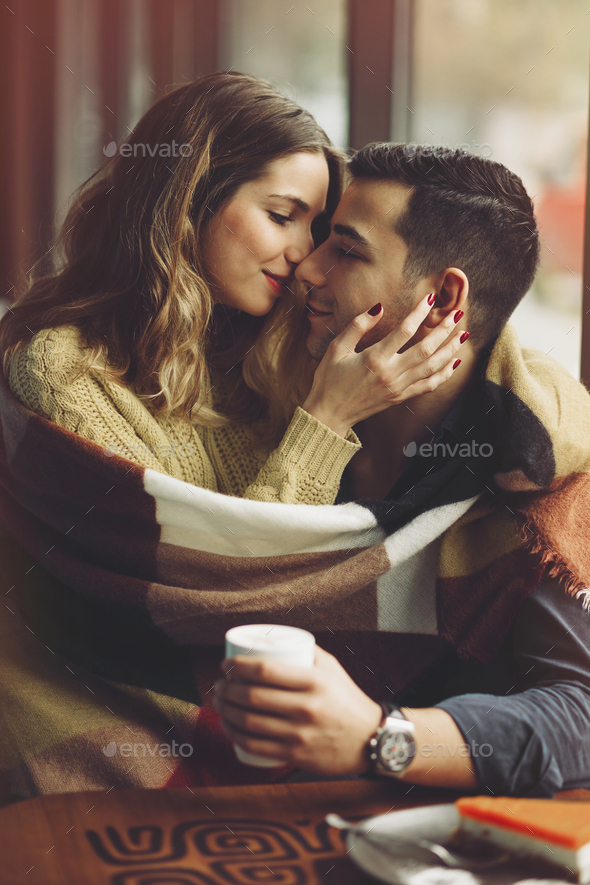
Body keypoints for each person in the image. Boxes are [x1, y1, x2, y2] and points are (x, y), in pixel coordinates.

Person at [213, 143, 590, 798]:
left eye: (347, 251)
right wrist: (321, 424)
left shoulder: (540, 467)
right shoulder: (275, 395)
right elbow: (221, 592)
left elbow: (582, 712)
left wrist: (378, 734)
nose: (307, 267)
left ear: (443, 298)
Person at [0, 73, 465, 506]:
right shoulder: (62, 370)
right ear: (189, 198)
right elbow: (207, 583)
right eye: (282, 217)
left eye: (317, 227)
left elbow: (496, 360)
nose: (305, 253)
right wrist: (326, 420)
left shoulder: (268, 351)